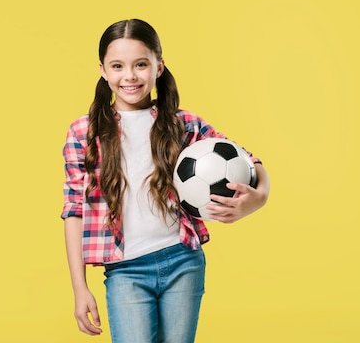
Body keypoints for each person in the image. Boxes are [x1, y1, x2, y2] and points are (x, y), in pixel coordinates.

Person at [60, 19, 270, 343]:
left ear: (159, 66)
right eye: (118, 66)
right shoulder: (84, 132)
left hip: (182, 260)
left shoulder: (182, 124)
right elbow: (74, 210)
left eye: (141, 64)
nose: (129, 76)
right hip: (125, 270)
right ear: (102, 70)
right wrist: (79, 287)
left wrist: (260, 196)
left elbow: (247, 159)